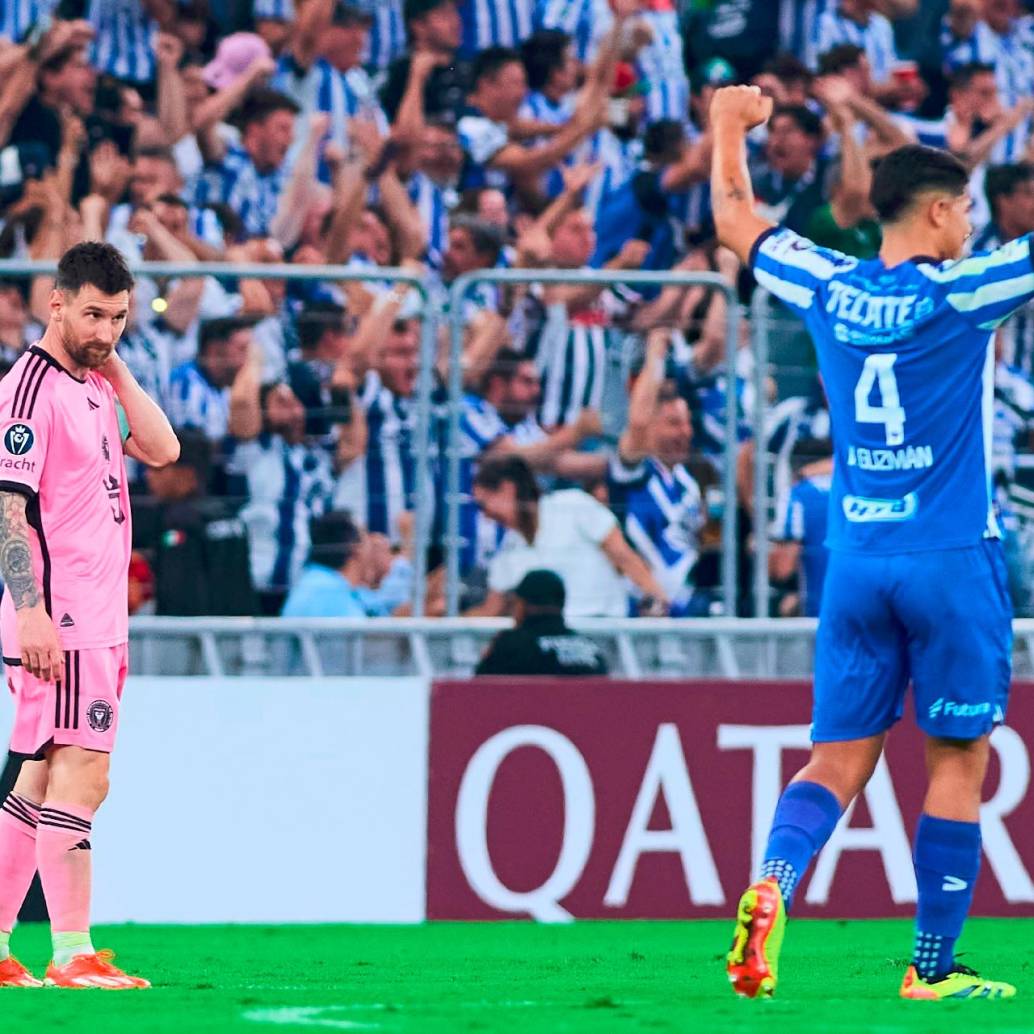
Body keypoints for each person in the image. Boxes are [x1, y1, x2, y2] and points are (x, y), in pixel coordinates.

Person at [712, 84, 1025, 1000]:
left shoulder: (825, 281)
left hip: (853, 559)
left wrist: (730, 124)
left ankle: (772, 885)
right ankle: (932, 969)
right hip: (950, 555)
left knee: (837, 760)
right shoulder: (968, 290)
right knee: (958, 760)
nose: (971, 222)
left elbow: (737, 218)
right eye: (965, 207)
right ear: (936, 211)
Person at [0, 241, 179, 989]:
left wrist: (118, 367)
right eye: (94, 314)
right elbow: (10, 507)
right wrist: (30, 611)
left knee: (35, 780)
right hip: (63, 616)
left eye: (119, 317)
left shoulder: (96, 382)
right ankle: (73, 951)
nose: (106, 329)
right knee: (83, 773)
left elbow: (163, 450)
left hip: (97, 615)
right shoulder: (29, 388)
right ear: (57, 304)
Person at [472, 454, 668, 618]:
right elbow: (491, 610)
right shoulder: (508, 548)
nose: (485, 515)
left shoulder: (572, 504)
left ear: (508, 488)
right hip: (550, 645)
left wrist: (657, 598)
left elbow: (623, 556)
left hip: (605, 632)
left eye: (484, 504)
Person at [475, 568, 608, 676]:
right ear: (562, 604)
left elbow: (481, 690)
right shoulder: (589, 647)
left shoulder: (511, 645)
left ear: (522, 604)